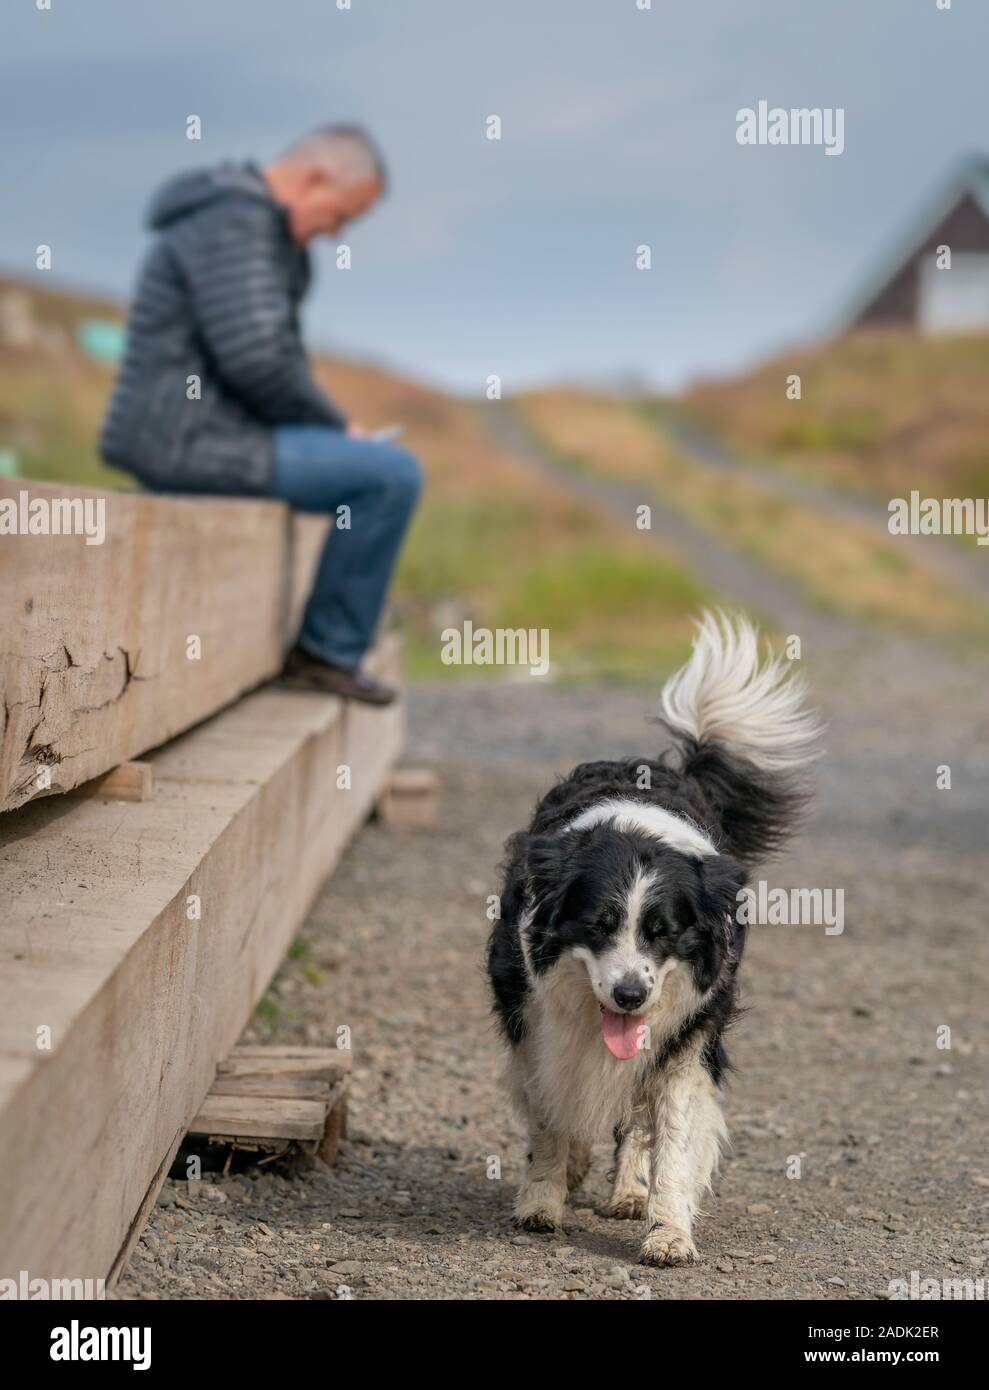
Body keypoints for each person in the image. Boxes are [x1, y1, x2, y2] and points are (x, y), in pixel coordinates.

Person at [100, 125, 420, 706]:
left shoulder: (257, 230)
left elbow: (266, 358)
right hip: (184, 436)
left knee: (377, 467)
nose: (336, 232)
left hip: (214, 432)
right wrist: (334, 427)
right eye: (340, 215)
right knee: (389, 474)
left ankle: (327, 649)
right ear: (315, 178)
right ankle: (325, 654)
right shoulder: (235, 223)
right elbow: (257, 359)